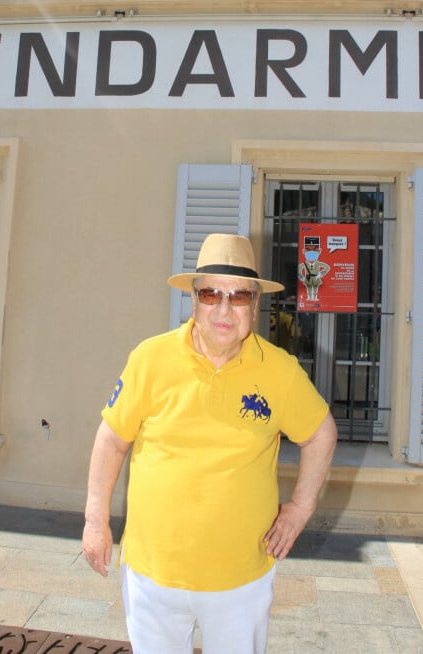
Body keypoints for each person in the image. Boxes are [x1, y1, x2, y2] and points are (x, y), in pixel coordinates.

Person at [82, 233, 337, 654]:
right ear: (194, 299)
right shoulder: (150, 359)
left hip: (241, 582)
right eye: (210, 294)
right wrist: (95, 521)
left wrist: (298, 510)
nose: (223, 309)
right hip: (153, 575)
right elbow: (111, 440)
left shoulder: (280, 372)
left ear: (255, 305)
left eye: (238, 297)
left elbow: (321, 433)